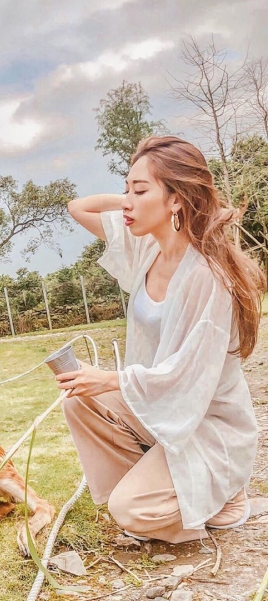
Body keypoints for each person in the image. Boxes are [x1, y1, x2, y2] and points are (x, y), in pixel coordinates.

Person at [59, 136, 266, 543]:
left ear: (176, 199)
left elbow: (190, 377)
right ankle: (160, 487)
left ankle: (220, 493)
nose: (126, 203)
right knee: (79, 401)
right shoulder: (146, 250)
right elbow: (78, 207)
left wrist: (111, 379)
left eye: (140, 191)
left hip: (206, 422)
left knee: (131, 511)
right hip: (162, 405)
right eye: (125, 190)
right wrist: (135, 197)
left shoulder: (207, 276)